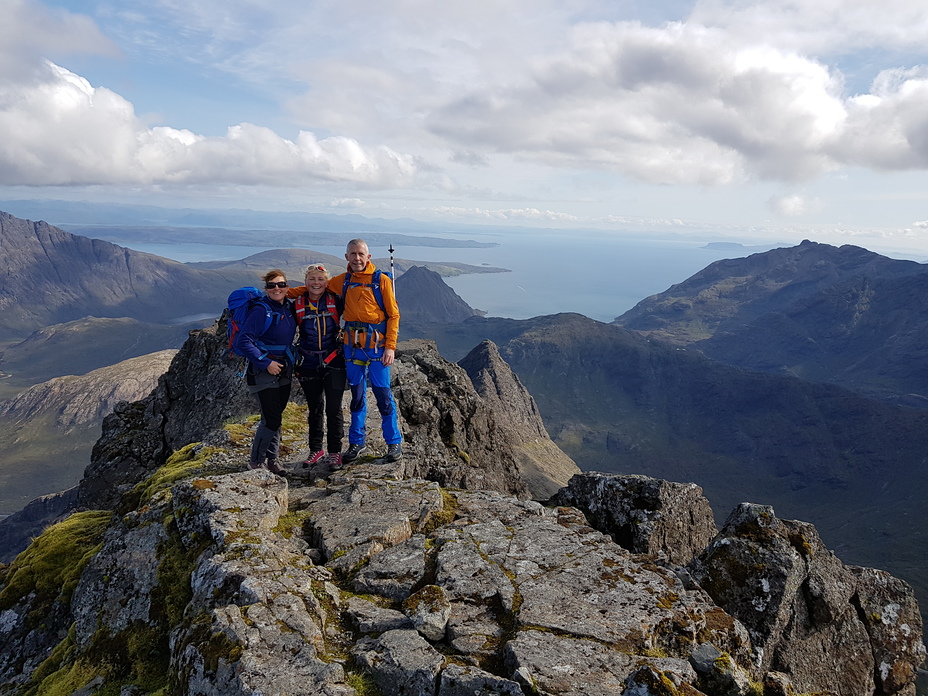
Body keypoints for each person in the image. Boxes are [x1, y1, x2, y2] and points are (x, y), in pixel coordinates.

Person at [328, 239, 402, 463]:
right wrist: (281, 293)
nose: (357, 258)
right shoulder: (344, 280)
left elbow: (394, 315)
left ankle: (393, 443)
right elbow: (316, 287)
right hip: (353, 349)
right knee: (357, 397)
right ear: (346, 257)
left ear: (368, 257)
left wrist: (390, 347)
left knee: (383, 395)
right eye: (353, 254)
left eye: (361, 254)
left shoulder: (381, 281)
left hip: (378, 348)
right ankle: (356, 442)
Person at [233, 269, 297, 475]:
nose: (276, 289)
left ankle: (272, 460)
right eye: (271, 285)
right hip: (263, 371)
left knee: (276, 416)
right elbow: (243, 340)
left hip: (284, 369)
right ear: (266, 289)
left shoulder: (288, 307)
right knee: (271, 419)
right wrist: (265, 362)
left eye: (280, 285)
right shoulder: (261, 310)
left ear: (287, 288)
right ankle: (256, 462)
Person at [293, 263, 347, 469]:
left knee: (334, 409)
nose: (316, 283)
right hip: (308, 363)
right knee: (315, 408)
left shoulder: (336, 301)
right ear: (305, 282)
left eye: (320, 279)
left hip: (334, 361)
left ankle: (335, 452)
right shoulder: (297, 304)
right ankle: (316, 449)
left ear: (328, 282)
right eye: (312, 279)